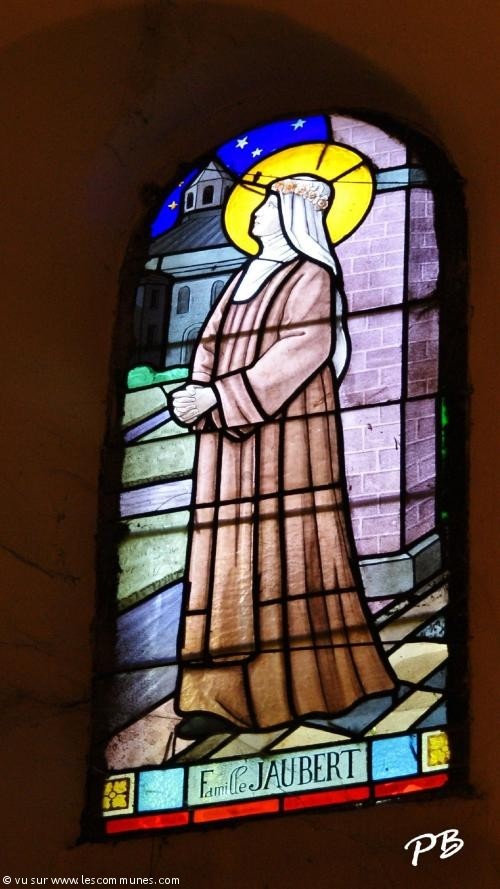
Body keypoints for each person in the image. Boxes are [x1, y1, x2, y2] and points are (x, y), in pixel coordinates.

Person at [171, 174, 396, 739]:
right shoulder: (244, 275)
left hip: (287, 440)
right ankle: (214, 695)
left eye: (270, 203)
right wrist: (197, 392)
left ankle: (311, 685)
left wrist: (221, 395)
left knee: (289, 547)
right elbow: (210, 344)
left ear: (295, 216)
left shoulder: (311, 275)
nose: (257, 212)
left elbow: (304, 347)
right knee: (224, 556)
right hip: (228, 446)